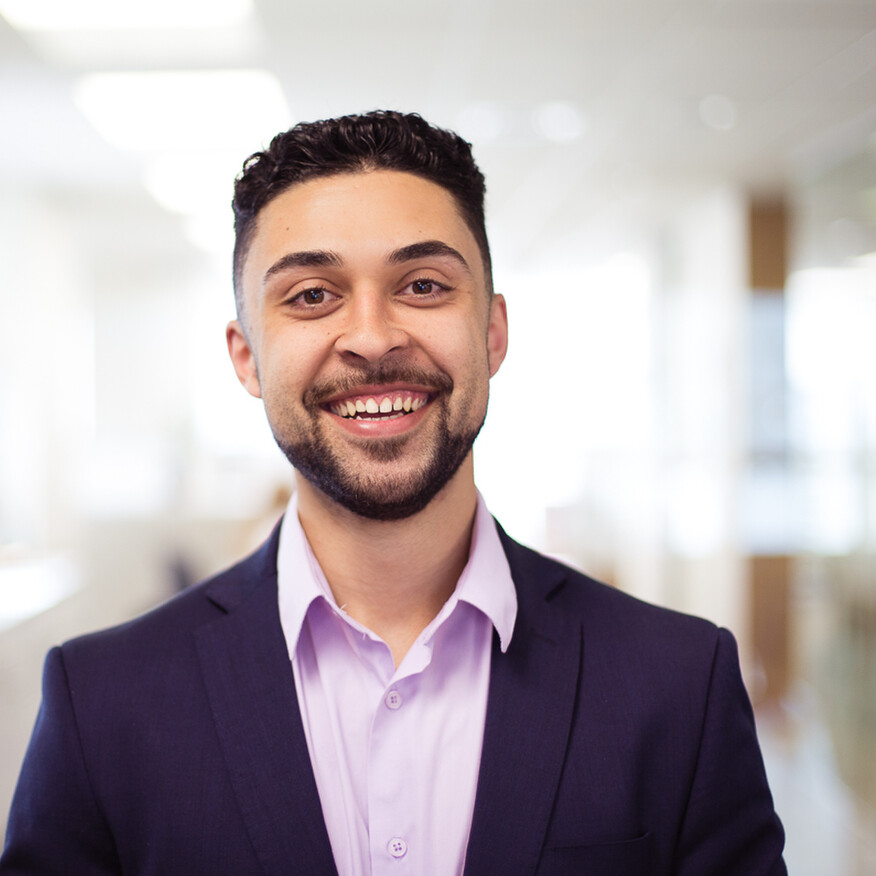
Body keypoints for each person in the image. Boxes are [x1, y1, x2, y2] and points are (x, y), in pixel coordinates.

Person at [1, 110, 786, 875]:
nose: (373, 337)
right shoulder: (103, 703)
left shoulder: (679, 684)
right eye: (311, 295)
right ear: (246, 358)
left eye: (422, 284)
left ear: (493, 333)